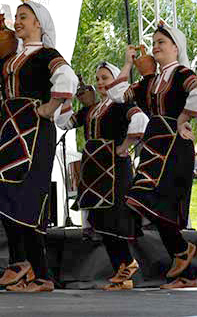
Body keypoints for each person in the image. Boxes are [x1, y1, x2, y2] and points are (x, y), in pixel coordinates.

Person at [0, 0, 77, 292]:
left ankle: (27, 267)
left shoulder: (47, 55)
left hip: (35, 135)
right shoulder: (10, 61)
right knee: (4, 194)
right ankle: (33, 271)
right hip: (9, 134)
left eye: (24, 17)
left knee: (20, 196)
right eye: (17, 17)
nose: (17, 21)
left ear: (39, 24)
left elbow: (68, 78)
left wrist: (49, 107)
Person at [108, 22, 197, 289]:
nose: (155, 47)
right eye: (153, 43)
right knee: (147, 202)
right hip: (154, 148)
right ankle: (183, 262)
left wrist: (183, 118)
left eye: (161, 42)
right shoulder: (149, 82)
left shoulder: (182, 74)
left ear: (176, 47)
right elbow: (116, 95)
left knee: (155, 201)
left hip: (176, 147)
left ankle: (182, 267)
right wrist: (128, 65)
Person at [55, 62, 148, 290]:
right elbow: (64, 122)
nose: (100, 82)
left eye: (105, 78)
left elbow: (142, 121)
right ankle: (122, 272)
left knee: (114, 218)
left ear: (115, 80)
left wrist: (125, 145)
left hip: (115, 170)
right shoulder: (91, 109)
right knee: (101, 221)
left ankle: (127, 263)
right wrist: (69, 99)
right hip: (95, 171)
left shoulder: (121, 106)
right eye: (98, 78)